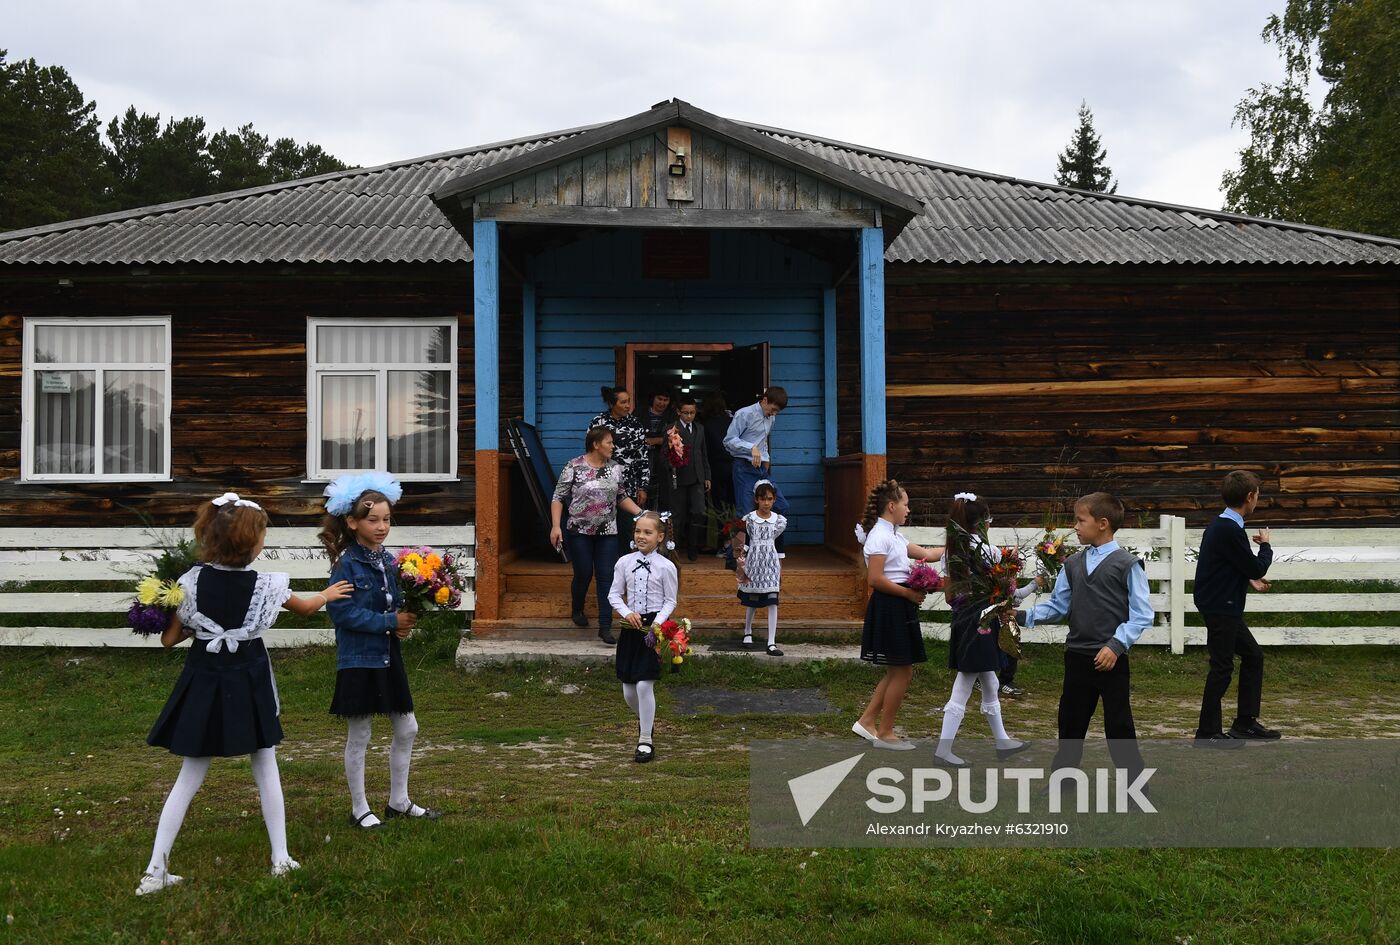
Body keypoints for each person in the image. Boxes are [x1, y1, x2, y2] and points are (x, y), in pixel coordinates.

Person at [138, 492, 353, 895]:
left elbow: (169, 639)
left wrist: (192, 626)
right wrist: (327, 594)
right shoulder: (266, 584)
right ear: (251, 543)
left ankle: (155, 869)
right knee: (265, 762)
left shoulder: (189, 581)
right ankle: (280, 857)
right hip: (247, 678)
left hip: (204, 678)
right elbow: (305, 608)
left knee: (189, 775)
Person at [320, 473, 441, 831]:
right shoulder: (347, 564)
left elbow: (396, 603)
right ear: (352, 522)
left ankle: (398, 801)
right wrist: (390, 621)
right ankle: (360, 808)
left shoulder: (389, 562)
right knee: (360, 735)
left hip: (388, 657)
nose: (381, 526)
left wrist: (407, 617)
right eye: (373, 520)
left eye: (387, 519)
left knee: (408, 728)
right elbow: (341, 613)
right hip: (358, 659)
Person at [1019, 492, 1152, 786]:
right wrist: (1021, 616)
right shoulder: (1073, 564)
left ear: (1102, 523)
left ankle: (1134, 789)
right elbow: (1058, 607)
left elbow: (1142, 614)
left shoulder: (1127, 564)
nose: (1075, 527)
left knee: (1118, 726)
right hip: (1077, 657)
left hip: (1111, 660)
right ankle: (1063, 784)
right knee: (1070, 724)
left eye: (1080, 520)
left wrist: (1116, 646)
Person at [934, 492, 1035, 767]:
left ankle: (1002, 741)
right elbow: (1007, 588)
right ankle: (943, 750)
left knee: (990, 681)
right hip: (981, 619)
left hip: (964, 617)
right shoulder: (987, 552)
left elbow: (948, 596)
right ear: (982, 523)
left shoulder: (951, 551)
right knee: (965, 683)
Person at [853, 479, 942, 750]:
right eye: (905, 504)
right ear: (891, 506)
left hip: (899, 605)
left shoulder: (893, 535)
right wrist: (907, 594)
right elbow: (875, 579)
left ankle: (867, 722)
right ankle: (885, 733)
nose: (908, 509)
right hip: (890, 605)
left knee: (898, 671)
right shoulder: (879, 536)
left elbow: (928, 554)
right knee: (902, 671)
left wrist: (960, 545)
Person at [1193, 470, 1278, 747]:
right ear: (1250, 497)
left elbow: (1227, 564)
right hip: (1222, 606)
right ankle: (1207, 734)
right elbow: (1255, 565)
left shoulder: (1222, 525)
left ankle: (1245, 723)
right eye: (1257, 496)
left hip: (1220, 603)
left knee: (1253, 656)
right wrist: (1266, 547)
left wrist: (1249, 578)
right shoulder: (1229, 529)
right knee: (1221, 668)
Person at [550, 427, 644, 644]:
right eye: (609, 442)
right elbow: (558, 497)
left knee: (607, 577)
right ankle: (577, 608)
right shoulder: (574, 466)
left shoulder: (615, 469)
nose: (613, 446)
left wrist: (641, 513)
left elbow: (621, 497)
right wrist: (556, 526)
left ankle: (605, 626)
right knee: (583, 573)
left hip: (607, 532)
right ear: (596, 444)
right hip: (579, 531)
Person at [607, 511, 678, 764]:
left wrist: (657, 624)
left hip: (652, 631)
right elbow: (614, 595)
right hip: (630, 627)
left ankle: (645, 739)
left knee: (644, 684)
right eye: (638, 531)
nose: (641, 536)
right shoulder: (624, 562)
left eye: (647, 532)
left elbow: (671, 600)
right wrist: (626, 612)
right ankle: (647, 720)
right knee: (628, 690)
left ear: (659, 537)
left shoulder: (666, 567)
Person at [723, 387, 791, 546]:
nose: (774, 414)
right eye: (773, 409)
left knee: (781, 505)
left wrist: (766, 459)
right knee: (745, 513)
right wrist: (750, 447)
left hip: (761, 469)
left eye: (777, 412)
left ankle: (765, 546)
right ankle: (737, 557)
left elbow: (762, 441)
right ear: (765, 400)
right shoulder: (744, 414)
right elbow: (728, 440)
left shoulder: (771, 418)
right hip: (743, 467)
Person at [589, 387, 650, 547]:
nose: (627, 405)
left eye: (628, 401)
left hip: (628, 487)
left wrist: (642, 486)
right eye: (623, 402)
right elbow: (590, 453)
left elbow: (642, 456)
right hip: (602, 486)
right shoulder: (598, 422)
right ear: (612, 404)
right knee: (603, 529)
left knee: (626, 529)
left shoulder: (635, 424)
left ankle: (625, 564)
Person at [734, 480, 787, 655]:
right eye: (762, 499)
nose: (766, 503)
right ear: (756, 500)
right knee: (753, 600)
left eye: (769, 499)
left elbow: (779, 547)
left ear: (774, 500)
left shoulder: (778, 521)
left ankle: (771, 641)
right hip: (753, 563)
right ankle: (747, 631)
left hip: (770, 563)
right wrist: (741, 563)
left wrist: (780, 569)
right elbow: (745, 543)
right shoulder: (749, 520)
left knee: (773, 601)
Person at [664, 396, 711, 562]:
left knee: (698, 511)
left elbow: (703, 453)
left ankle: (693, 546)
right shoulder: (671, 429)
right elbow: (665, 454)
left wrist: (707, 476)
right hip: (678, 477)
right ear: (678, 412)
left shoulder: (700, 428)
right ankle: (673, 550)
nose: (689, 416)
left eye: (692, 412)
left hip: (697, 477)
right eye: (686, 413)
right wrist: (672, 463)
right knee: (677, 515)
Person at [701, 390, 735, 517]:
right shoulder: (732, 421)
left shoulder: (706, 425)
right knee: (733, 503)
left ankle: (722, 533)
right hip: (733, 465)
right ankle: (734, 533)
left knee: (718, 505)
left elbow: (705, 450)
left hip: (715, 468)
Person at [641, 390, 677, 511]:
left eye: (665, 400)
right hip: (643, 460)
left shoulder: (672, 415)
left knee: (663, 494)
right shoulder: (640, 413)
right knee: (643, 492)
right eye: (659, 399)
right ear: (653, 398)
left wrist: (655, 440)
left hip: (664, 461)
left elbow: (676, 438)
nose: (662, 403)